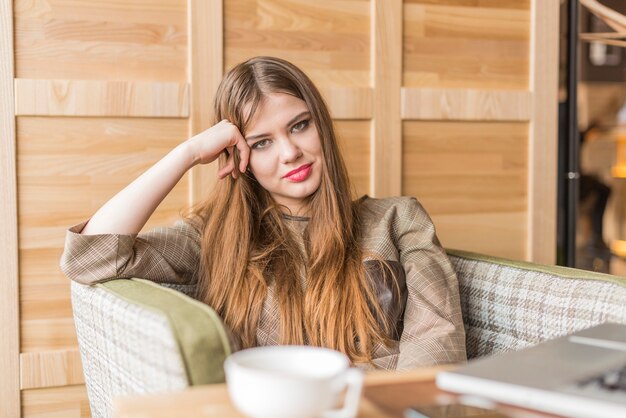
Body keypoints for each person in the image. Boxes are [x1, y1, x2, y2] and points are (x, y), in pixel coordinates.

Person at [60, 56, 466, 370]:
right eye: (261, 143)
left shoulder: (398, 219)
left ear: (320, 125)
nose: (290, 152)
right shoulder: (214, 238)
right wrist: (186, 154)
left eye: (300, 125)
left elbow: (437, 344)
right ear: (238, 156)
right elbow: (88, 256)